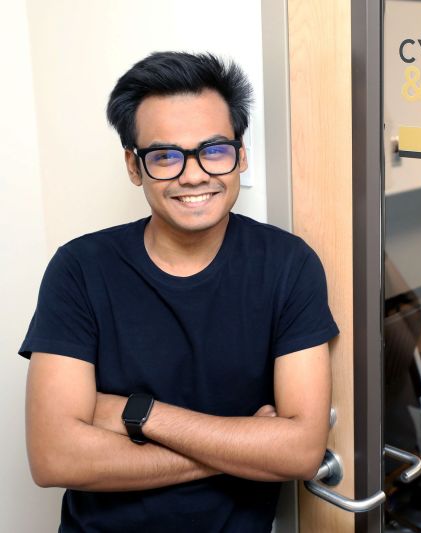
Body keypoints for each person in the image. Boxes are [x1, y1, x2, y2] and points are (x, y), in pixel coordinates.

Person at [18, 51, 339, 532]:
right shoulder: (80, 269)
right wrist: (242, 445)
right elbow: (54, 458)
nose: (193, 174)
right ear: (133, 165)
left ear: (240, 154)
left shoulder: (288, 266)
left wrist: (139, 414)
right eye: (164, 156)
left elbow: (299, 452)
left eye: (214, 149)